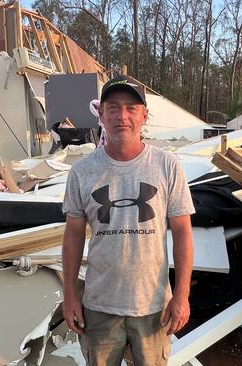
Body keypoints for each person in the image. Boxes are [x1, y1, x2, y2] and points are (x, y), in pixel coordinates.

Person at [62, 75, 195, 366]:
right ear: (100, 114)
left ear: (144, 116)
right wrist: (70, 296)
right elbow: (72, 236)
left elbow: (183, 233)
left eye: (131, 108)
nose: (122, 116)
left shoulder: (167, 166)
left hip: (152, 308)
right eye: (113, 108)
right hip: (99, 308)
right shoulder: (82, 172)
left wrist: (182, 296)